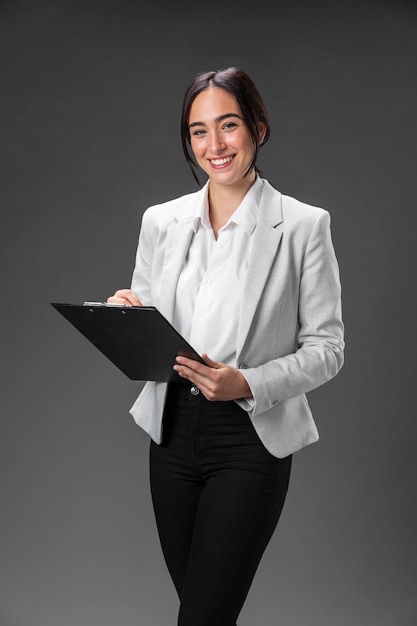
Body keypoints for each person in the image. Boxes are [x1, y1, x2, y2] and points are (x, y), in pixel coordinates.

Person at [107, 67, 344, 626]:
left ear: (258, 128)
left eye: (228, 125)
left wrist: (250, 383)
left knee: (205, 616)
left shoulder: (304, 226)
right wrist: (126, 318)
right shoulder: (161, 222)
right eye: (198, 131)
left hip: (250, 438)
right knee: (199, 610)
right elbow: (151, 314)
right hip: (169, 434)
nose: (214, 145)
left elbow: (328, 347)